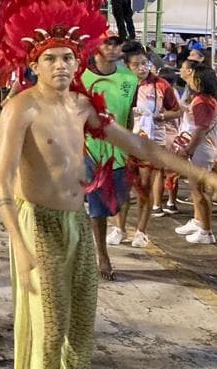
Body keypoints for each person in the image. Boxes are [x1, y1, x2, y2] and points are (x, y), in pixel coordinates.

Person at [0, 0, 217, 369]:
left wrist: (208, 176)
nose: (62, 65)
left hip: (76, 219)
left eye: (68, 57)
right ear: (34, 63)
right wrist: (20, 243)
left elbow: (139, 143)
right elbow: (1, 180)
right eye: (51, 58)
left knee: (83, 321)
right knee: (50, 326)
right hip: (39, 223)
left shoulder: (83, 106)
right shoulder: (20, 109)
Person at [81, 34, 137, 278]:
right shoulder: (80, 77)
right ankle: (102, 256)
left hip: (120, 152)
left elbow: (129, 115)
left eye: (116, 44)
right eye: (107, 43)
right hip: (87, 151)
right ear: (95, 47)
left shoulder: (129, 78)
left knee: (119, 203)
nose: (113, 48)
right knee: (98, 208)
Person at [124, 43, 180, 234]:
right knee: (123, 187)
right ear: (127, 66)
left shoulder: (161, 85)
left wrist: (160, 117)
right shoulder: (124, 84)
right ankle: (119, 228)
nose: (142, 67)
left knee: (145, 186)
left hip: (152, 140)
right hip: (125, 140)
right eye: (136, 64)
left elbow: (177, 110)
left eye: (145, 63)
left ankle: (141, 230)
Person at [173, 61, 217, 243]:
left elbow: (200, 130)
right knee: (197, 189)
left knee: (198, 191)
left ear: (200, 81)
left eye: (194, 77)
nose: (190, 80)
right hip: (203, 149)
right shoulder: (208, 99)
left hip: (200, 150)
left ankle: (206, 231)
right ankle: (198, 221)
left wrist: (188, 150)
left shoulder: (203, 101)